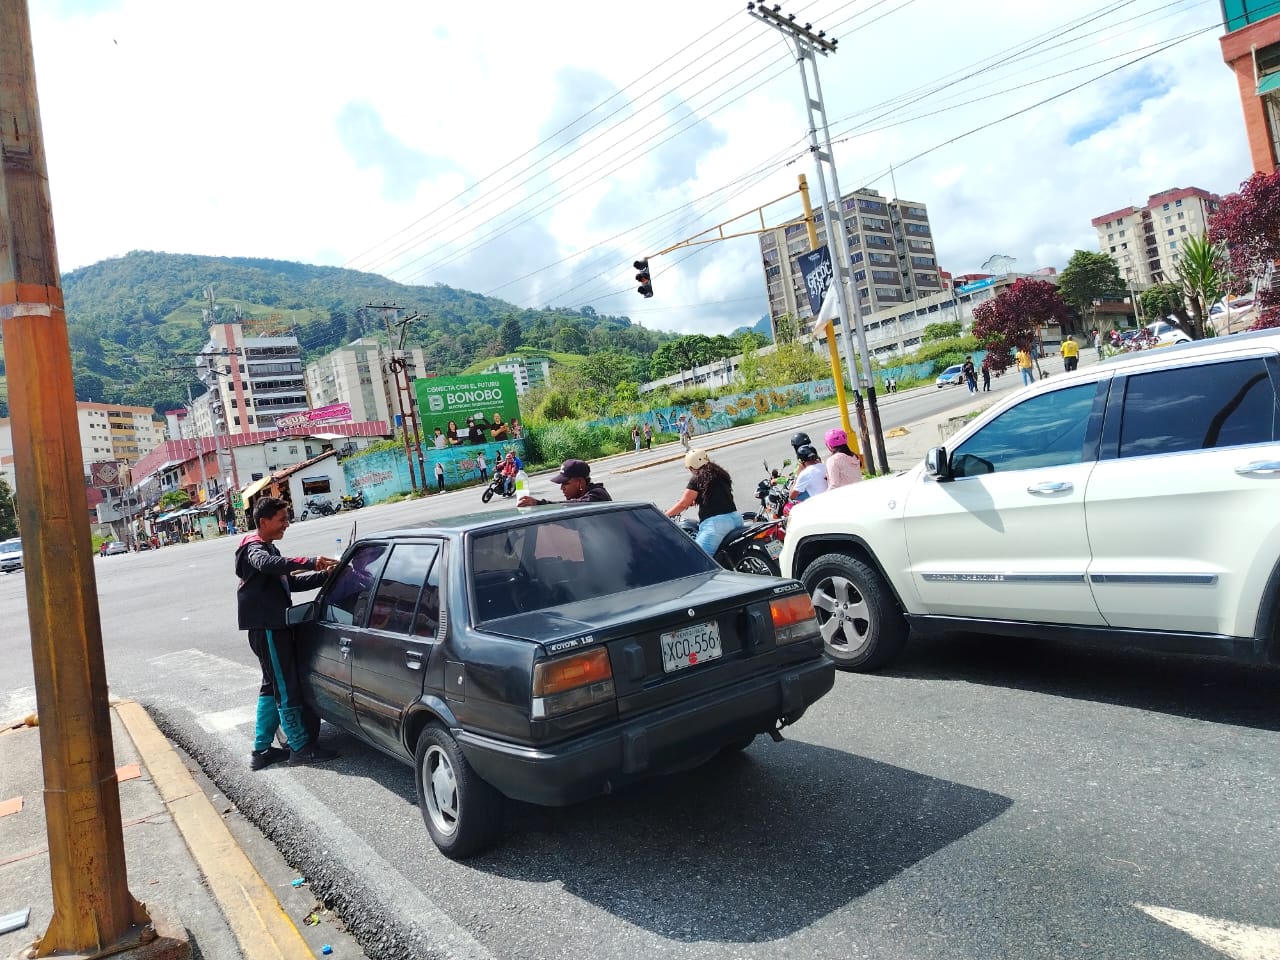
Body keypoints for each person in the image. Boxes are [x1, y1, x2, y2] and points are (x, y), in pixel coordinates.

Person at [235, 496, 338, 769]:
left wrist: (326, 575)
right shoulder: (254, 549)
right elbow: (267, 565)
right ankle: (301, 746)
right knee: (285, 687)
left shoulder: (269, 549)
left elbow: (289, 583)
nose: (287, 524)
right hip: (268, 628)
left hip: (270, 626)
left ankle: (261, 751)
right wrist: (311, 561)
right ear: (263, 522)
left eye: (287, 519)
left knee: (271, 687)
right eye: (282, 520)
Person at [665, 449, 743, 557]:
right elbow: (713, 495)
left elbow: (683, 504)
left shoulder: (697, 478)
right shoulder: (720, 474)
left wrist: (665, 516)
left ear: (692, 467)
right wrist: (696, 501)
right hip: (736, 519)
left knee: (697, 558)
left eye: (689, 468)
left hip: (717, 525)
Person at [519, 459, 612, 506]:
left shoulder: (598, 495)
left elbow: (574, 505)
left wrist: (540, 504)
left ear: (580, 482)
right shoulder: (576, 497)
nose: (562, 488)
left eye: (566, 483)